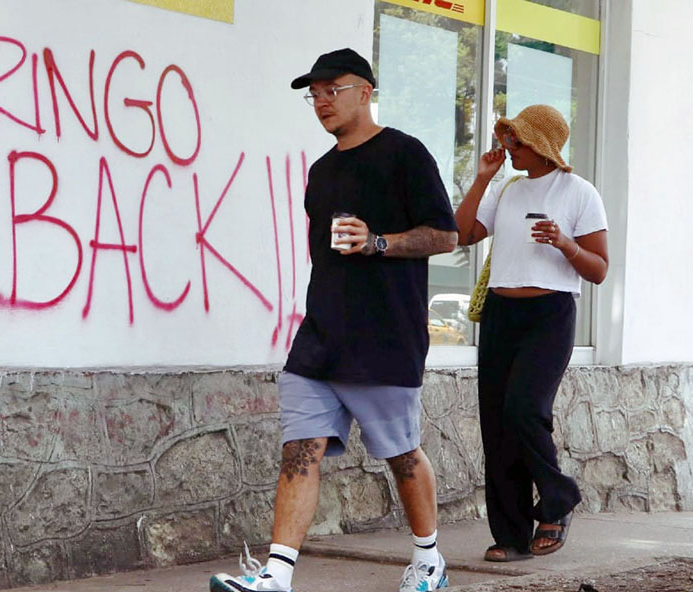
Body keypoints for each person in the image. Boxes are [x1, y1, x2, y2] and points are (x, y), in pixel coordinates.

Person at [210, 48, 458, 592]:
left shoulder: (405, 153)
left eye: (332, 90)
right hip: (320, 336)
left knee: (402, 455)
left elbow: (445, 235)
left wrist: (377, 242)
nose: (321, 101)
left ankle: (428, 561)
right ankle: (277, 576)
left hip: (386, 335)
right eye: (314, 94)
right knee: (300, 449)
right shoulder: (321, 171)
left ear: (365, 92)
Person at [454, 105, 608, 562]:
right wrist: (482, 179)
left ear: (542, 145)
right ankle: (511, 536)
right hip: (501, 314)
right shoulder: (507, 188)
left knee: (525, 410)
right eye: (506, 139)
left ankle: (558, 499)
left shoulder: (579, 193)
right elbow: (463, 233)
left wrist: (565, 243)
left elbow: (598, 269)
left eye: (516, 140)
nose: (508, 147)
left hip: (549, 314)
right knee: (497, 424)